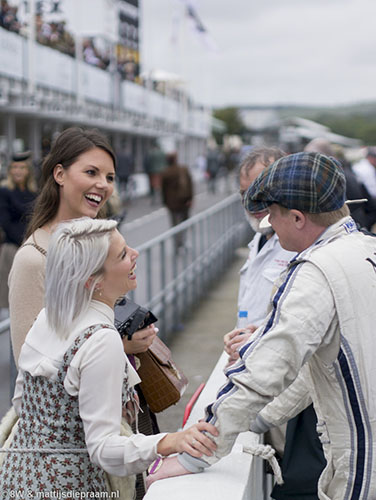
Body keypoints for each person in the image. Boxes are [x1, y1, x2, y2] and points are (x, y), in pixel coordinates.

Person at [149, 152, 376, 499]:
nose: (267, 223)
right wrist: (256, 420)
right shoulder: (365, 247)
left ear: (298, 217)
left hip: (362, 465)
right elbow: (311, 370)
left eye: (272, 213)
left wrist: (200, 450)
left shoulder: (317, 271)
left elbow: (264, 370)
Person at [0, 217, 218, 497]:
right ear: (94, 280)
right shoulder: (100, 339)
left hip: (18, 478)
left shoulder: (48, 318)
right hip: (70, 487)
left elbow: (22, 404)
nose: (135, 254)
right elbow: (104, 449)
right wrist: (169, 442)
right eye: (123, 254)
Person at [0, 151, 37, 317]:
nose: (17, 171)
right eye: (14, 167)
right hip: (13, 248)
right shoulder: (5, 191)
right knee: (10, 295)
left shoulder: (34, 192)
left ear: (28, 170)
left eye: (21, 167)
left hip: (32, 245)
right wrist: (24, 241)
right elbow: (5, 222)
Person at [161, 152, 193, 251]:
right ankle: (183, 242)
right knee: (184, 223)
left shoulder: (165, 173)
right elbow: (190, 184)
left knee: (175, 225)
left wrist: (165, 202)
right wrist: (191, 198)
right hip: (184, 201)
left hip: (172, 204)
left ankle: (177, 245)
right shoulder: (183, 169)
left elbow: (163, 190)